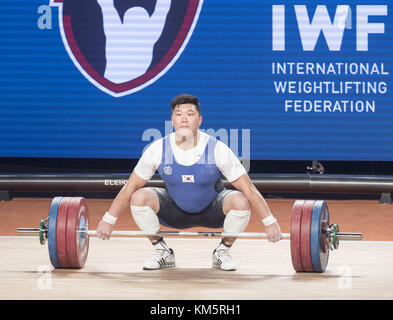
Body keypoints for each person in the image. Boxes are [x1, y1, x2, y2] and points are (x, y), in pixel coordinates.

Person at [96, 94, 282, 271]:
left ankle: (222, 252)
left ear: (200, 120)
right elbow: (130, 187)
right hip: (174, 212)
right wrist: (108, 220)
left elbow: (248, 188)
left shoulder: (218, 149)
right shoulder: (158, 149)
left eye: (190, 114)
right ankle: (162, 251)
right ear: (173, 120)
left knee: (240, 200)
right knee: (138, 196)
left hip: (213, 211)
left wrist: (270, 222)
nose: (184, 119)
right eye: (179, 115)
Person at [97, 0, 171, 83]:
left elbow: (106, 6)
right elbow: (162, 10)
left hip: (117, 81)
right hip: (117, 81)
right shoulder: (149, 37)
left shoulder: (116, 33)